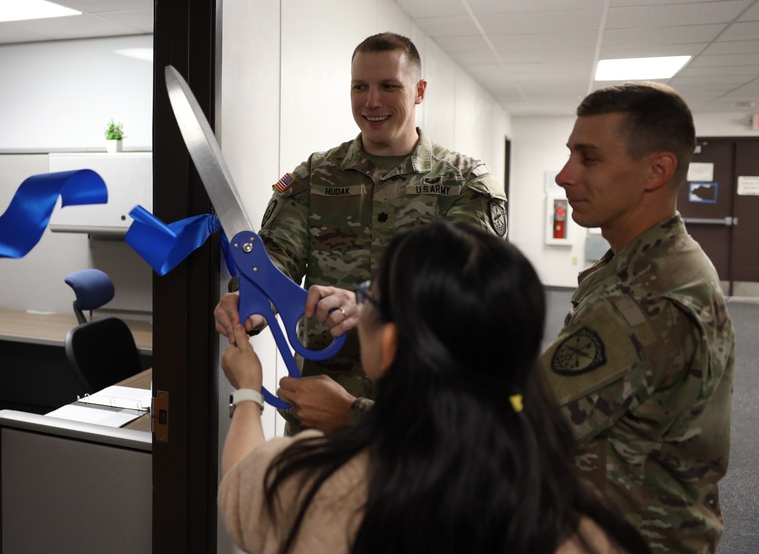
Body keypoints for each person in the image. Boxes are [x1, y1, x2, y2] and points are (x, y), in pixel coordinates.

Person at [218, 221, 651, 554]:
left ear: (388, 345)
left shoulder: (307, 482)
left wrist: (249, 392)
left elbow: (240, 483)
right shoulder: (587, 526)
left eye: (368, 295)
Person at [214, 32, 508, 433]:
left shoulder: (464, 183)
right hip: (319, 410)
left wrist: (374, 306)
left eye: (389, 86)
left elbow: (469, 294)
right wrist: (249, 299)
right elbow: (275, 257)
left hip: (419, 417)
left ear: (419, 91)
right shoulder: (316, 176)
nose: (372, 102)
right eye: (360, 87)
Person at [539, 82, 735, 553]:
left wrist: (354, 415)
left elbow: (519, 420)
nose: (565, 176)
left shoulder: (651, 296)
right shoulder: (648, 260)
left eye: (589, 158)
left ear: (656, 170)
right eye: (570, 155)